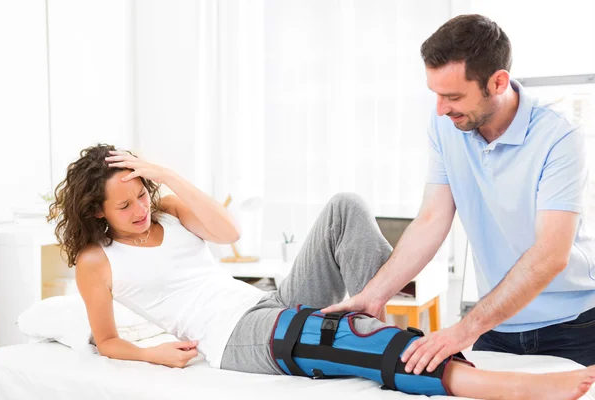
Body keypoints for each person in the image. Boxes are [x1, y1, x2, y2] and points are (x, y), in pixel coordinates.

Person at [47, 144, 595, 399]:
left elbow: (229, 232)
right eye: (125, 206)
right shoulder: (98, 261)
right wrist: (156, 353)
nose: (140, 209)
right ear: (96, 210)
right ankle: (441, 362)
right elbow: (109, 339)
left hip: (263, 301)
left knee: (344, 205)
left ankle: (375, 306)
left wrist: (165, 174)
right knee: (325, 336)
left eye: (142, 194)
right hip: (230, 336)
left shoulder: (167, 209)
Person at [323, 13, 595, 375]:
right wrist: (373, 297)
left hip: (574, 326)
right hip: (497, 327)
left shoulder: (559, 137)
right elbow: (432, 219)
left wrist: (463, 331)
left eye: (453, 96)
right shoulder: (446, 124)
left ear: (498, 83)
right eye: (436, 94)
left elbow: (550, 255)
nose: (440, 108)